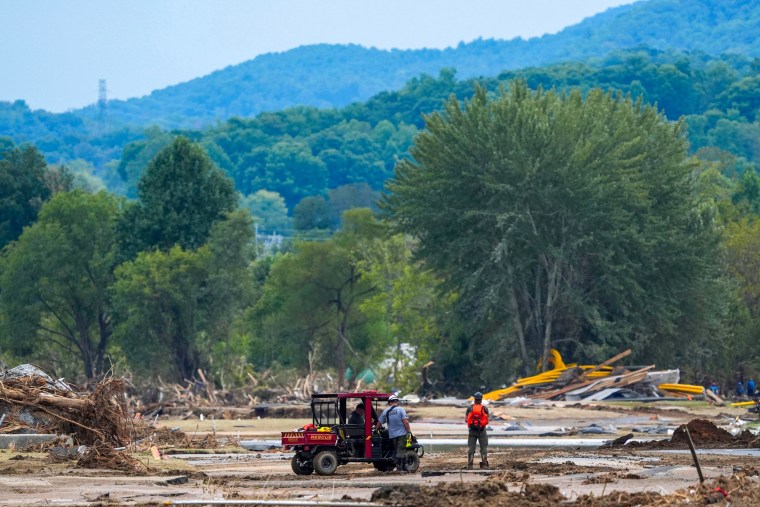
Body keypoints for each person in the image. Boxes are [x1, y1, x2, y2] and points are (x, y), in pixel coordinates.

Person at [375, 395, 412, 472]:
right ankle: (400, 469)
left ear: (389, 403)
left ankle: (398, 467)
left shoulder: (386, 411)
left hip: (392, 436)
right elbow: (406, 422)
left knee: (397, 450)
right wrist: (409, 432)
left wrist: (375, 431)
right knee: (400, 451)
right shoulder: (401, 410)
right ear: (396, 402)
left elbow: (379, 423)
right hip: (402, 435)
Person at [465, 391, 489, 469]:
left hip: (472, 431)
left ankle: (470, 465)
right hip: (482, 430)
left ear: (474, 399)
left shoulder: (469, 408)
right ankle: (484, 465)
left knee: (471, 449)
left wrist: (473, 424)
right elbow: (487, 420)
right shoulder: (485, 408)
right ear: (481, 400)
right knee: (484, 448)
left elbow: (466, 420)